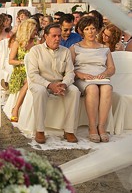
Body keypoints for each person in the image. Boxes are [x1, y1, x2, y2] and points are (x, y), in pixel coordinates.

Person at [25, 22, 81, 144]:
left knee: (75, 91)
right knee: (40, 91)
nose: (57, 38)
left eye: (59, 36)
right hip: (40, 82)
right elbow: (33, 74)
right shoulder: (36, 50)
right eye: (54, 36)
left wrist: (64, 84)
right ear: (46, 36)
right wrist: (50, 85)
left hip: (60, 83)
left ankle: (69, 130)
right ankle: (40, 130)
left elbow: (70, 73)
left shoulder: (65, 51)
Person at [71, 13, 115, 143]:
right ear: (81, 31)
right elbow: (69, 69)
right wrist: (80, 74)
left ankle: (101, 126)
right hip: (83, 79)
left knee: (107, 88)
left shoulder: (104, 48)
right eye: (86, 29)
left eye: (92, 28)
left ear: (97, 30)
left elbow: (112, 68)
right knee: (92, 88)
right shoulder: (75, 47)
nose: (90, 32)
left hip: (101, 77)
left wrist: (105, 74)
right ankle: (92, 126)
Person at [6, 17, 40, 123]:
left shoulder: (37, 42)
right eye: (34, 30)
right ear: (28, 30)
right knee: (29, 81)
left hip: (33, 71)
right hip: (20, 72)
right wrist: (23, 62)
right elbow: (10, 61)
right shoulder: (17, 43)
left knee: (30, 79)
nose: (36, 32)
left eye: (36, 30)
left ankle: (16, 108)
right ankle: (16, 109)